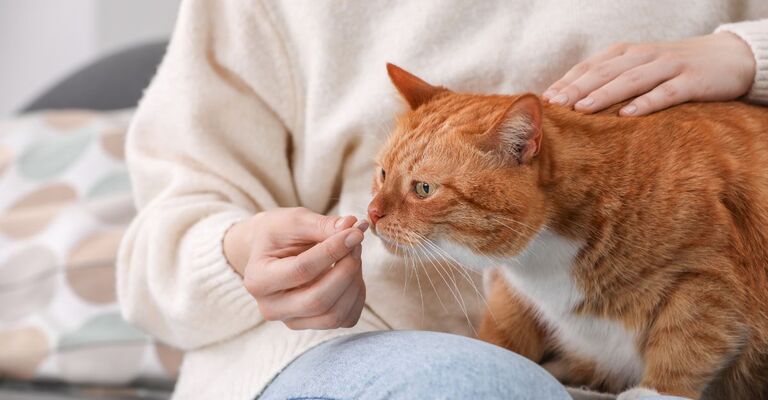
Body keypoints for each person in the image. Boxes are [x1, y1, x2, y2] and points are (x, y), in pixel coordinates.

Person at [117, 1, 768, 398]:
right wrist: (236, 258)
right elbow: (151, 251)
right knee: (480, 389)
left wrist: (750, 53)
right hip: (347, 352)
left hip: (677, 357)